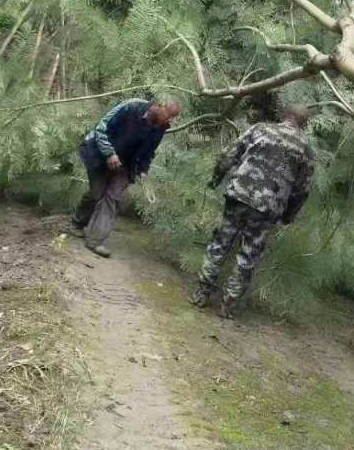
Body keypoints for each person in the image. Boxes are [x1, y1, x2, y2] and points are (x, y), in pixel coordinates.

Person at [194, 105, 315, 318]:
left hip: (239, 195)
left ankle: (202, 293)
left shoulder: (260, 129)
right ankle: (227, 305)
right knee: (248, 255)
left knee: (220, 243)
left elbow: (229, 154)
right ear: (304, 123)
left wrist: (216, 179)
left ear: (285, 115)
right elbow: (301, 190)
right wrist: (288, 215)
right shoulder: (305, 149)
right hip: (267, 208)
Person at [72, 98, 181, 257]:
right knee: (96, 194)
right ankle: (78, 222)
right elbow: (100, 129)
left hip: (126, 165)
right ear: (161, 106)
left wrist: (143, 169)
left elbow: (149, 150)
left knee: (113, 197)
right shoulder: (131, 106)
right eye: (170, 115)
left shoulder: (162, 126)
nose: (171, 120)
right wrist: (109, 154)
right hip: (99, 153)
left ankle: (95, 241)